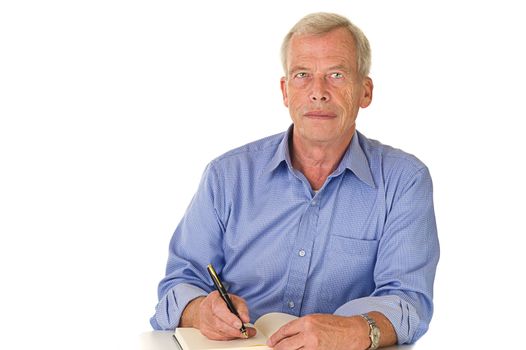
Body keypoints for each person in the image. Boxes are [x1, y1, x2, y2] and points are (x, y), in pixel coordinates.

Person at [151, 12, 439, 350]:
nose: (318, 92)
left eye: (336, 74)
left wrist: (354, 330)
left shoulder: (404, 181)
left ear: (365, 91)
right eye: (303, 75)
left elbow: (409, 300)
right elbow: (180, 283)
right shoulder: (227, 176)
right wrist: (200, 311)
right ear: (286, 91)